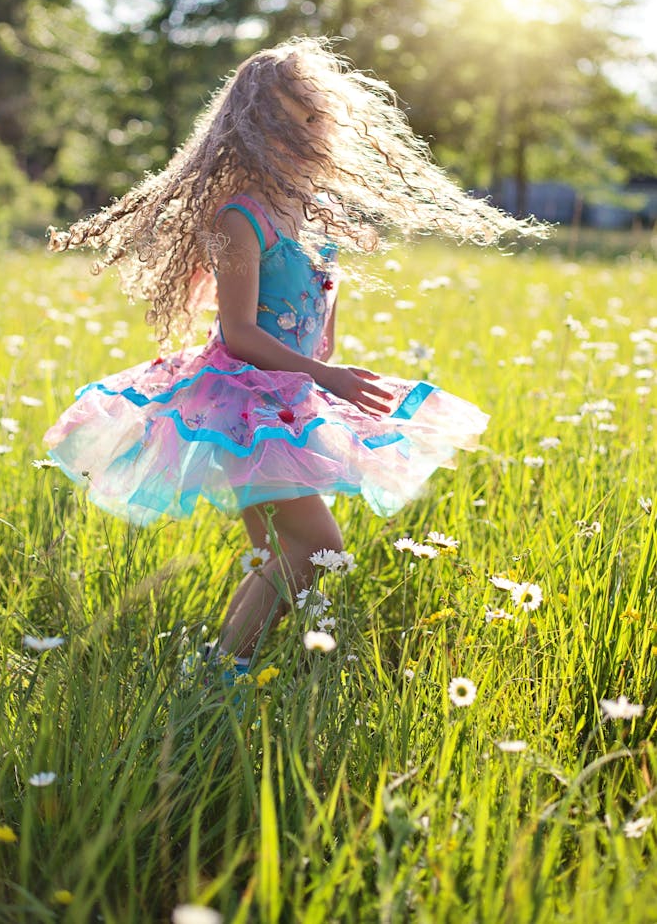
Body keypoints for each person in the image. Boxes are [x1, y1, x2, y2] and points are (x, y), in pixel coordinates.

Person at [44, 37, 542, 677]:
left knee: (280, 553)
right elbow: (241, 332)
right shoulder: (239, 218)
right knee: (317, 548)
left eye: (314, 117)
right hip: (245, 401)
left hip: (290, 397)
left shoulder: (312, 212)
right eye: (287, 118)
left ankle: (228, 669)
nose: (306, 131)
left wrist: (325, 364)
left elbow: (314, 316)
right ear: (252, 128)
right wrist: (323, 372)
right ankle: (223, 669)